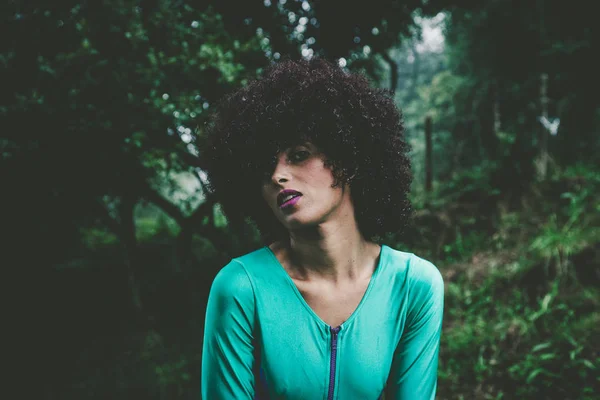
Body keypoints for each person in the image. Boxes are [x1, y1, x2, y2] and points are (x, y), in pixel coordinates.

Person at [199, 58, 444, 400]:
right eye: (264, 167)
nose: (277, 176)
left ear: (348, 160)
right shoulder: (241, 288)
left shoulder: (414, 285)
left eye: (299, 154)